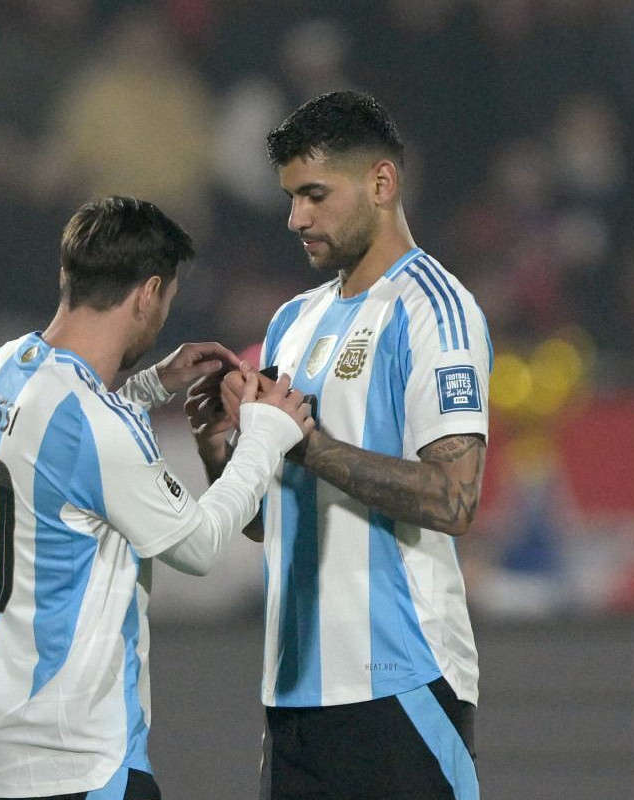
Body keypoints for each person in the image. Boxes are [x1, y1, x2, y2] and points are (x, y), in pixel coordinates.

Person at [0, 196, 314, 800]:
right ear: (149, 292)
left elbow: (64, 445)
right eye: (167, 301)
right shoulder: (99, 428)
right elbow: (198, 545)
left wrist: (150, 384)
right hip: (82, 765)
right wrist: (265, 434)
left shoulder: (2, 368)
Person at [191, 91, 491, 799]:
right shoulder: (295, 319)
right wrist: (221, 447)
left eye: (316, 195)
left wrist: (309, 446)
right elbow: (273, 519)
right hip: (295, 698)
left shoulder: (434, 310)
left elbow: (454, 498)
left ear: (382, 184)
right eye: (292, 198)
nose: (297, 217)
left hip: (399, 683)